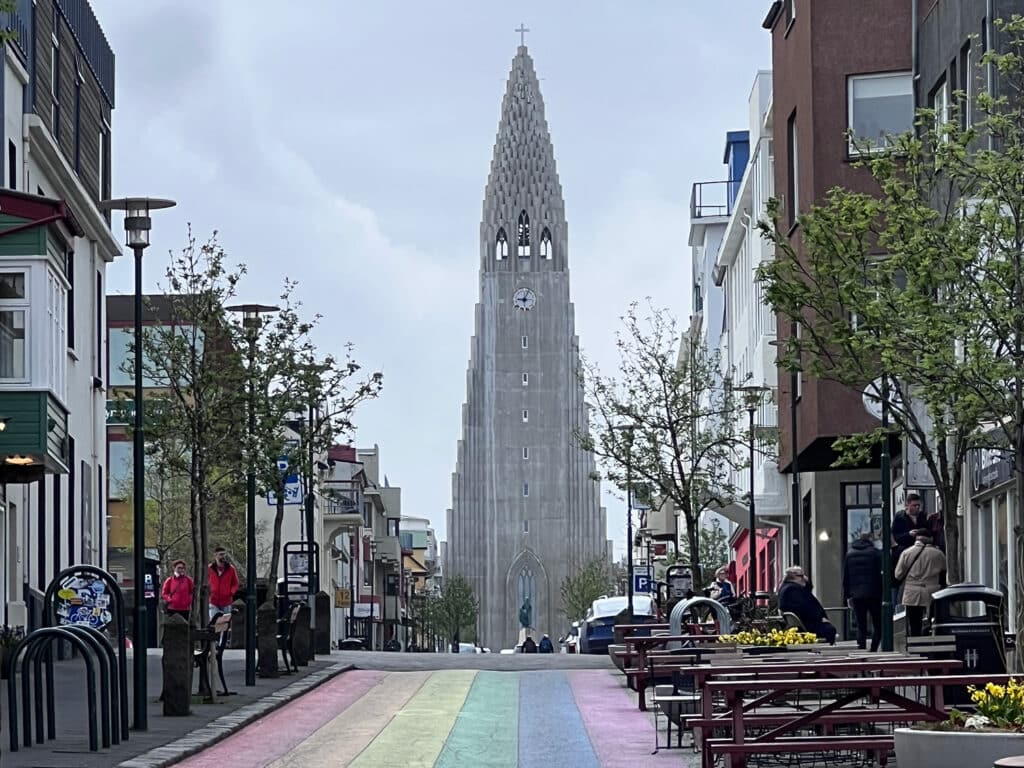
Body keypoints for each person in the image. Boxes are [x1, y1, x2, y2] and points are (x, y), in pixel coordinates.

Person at [895, 532, 947, 637]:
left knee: (914, 622)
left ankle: (915, 644)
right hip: (932, 592)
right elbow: (945, 570)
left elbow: (898, 575)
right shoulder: (938, 553)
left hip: (912, 592)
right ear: (930, 539)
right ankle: (931, 642)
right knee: (934, 619)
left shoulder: (907, 553)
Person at [843, 532, 883, 651]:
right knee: (877, 624)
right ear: (870, 539)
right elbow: (879, 574)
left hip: (857, 595)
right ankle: (874, 648)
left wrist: (848, 595)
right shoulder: (875, 553)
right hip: (873, 594)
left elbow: (846, 577)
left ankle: (861, 648)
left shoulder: (850, 554)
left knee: (861, 625)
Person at [777, 566, 837, 644]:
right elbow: (803, 609)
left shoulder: (789, 588)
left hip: (805, 622)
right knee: (830, 630)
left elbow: (806, 593)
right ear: (793, 577)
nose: (804, 578)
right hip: (807, 624)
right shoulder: (792, 590)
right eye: (801, 576)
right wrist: (819, 618)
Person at [208, 546, 240, 621]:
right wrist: (209, 592)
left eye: (224, 554)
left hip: (226, 602)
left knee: (225, 624)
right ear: (215, 555)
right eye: (221, 554)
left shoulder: (231, 569)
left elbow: (235, 583)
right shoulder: (209, 568)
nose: (223, 557)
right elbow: (205, 582)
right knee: (214, 622)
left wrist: (231, 592)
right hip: (213, 601)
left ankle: (223, 633)